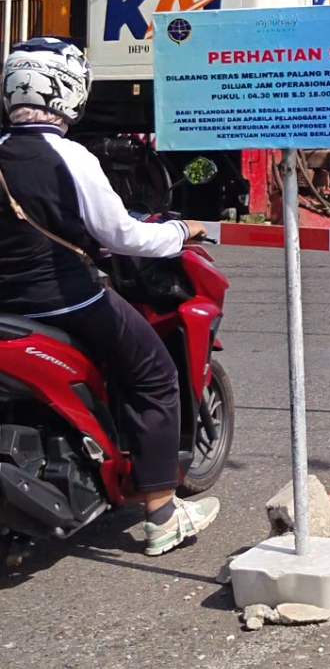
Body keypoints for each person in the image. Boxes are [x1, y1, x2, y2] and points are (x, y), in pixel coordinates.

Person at [0, 37, 220, 557]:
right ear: (70, 92)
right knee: (153, 375)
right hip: (61, 301)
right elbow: (121, 235)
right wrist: (180, 233)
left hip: (8, 306)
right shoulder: (69, 156)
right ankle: (162, 512)